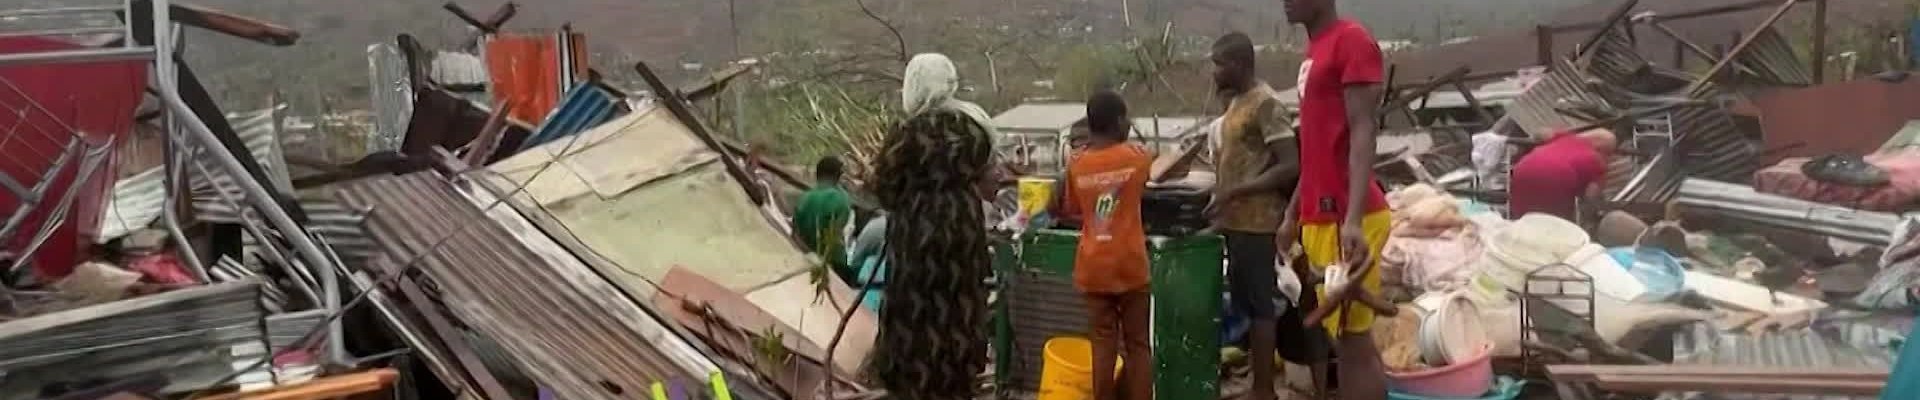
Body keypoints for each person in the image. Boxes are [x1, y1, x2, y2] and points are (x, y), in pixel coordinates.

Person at [1283, 0, 1397, 398]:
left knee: (1354, 344)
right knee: (1346, 343)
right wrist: (1292, 212)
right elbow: (1317, 147)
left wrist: (1350, 219)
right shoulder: (1314, 51)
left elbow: (1363, 131)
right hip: (1321, 215)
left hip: (1347, 216)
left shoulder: (1351, 41)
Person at [870, 53, 996, 399]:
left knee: (917, 317)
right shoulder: (975, 128)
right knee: (961, 309)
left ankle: (917, 386)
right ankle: (959, 382)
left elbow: (883, 188)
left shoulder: (905, 134)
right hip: (964, 232)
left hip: (918, 239)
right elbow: (986, 173)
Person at [1206, 32, 1312, 400]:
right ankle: (1257, 379)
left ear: (1239, 64)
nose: (1214, 72)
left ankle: (1264, 389)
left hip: (1258, 222)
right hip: (1236, 222)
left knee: (1260, 305)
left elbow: (1289, 165)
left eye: (1219, 64)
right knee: (1246, 304)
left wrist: (1239, 190)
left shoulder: (1265, 104)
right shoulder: (1238, 104)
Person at [1057, 90, 1154, 400]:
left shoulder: (1076, 164)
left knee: (1102, 344)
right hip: (1130, 264)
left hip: (1093, 266)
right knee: (1138, 344)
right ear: (1117, 122)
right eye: (1126, 118)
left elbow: (1071, 210)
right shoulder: (1138, 158)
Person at [1508, 128, 1617, 221]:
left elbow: (1541, 133)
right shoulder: (1598, 162)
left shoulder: (1564, 136)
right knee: (1553, 221)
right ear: (1603, 150)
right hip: (1558, 177)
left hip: (1524, 167)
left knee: (1521, 214)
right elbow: (1590, 196)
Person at [791, 156, 857, 283]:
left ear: (817, 174)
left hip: (806, 263)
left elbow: (794, 235)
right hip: (834, 265)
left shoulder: (804, 198)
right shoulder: (842, 199)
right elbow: (836, 235)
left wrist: (811, 255)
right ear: (838, 175)